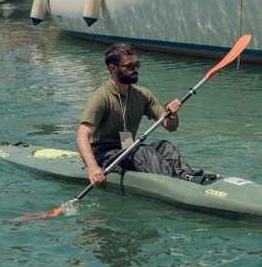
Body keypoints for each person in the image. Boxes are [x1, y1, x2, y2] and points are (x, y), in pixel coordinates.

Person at [76, 43, 215, 187]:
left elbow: (170, 127)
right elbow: (82, 135)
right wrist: (93, 167)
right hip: (105, 154)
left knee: (163, 145)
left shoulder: (142, 94)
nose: (135, 70)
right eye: (130, 66)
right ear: (113, 68)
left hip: (128, 147)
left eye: (137, 65)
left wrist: (172, 114)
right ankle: (175, 183)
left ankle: (185, 175)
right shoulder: (101, 97)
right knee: (142, 150)